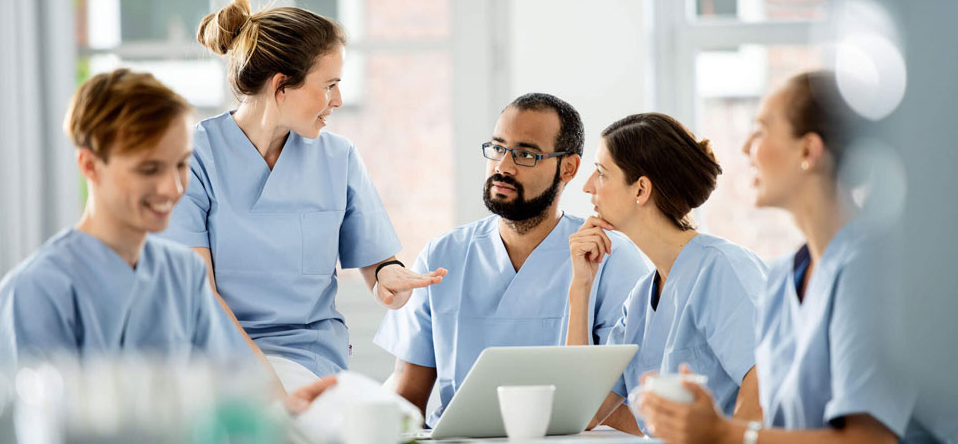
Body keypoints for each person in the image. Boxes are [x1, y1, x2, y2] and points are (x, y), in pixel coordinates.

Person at [638, 71, 944, 444]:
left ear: (808, 151)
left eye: (762, 130)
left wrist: (723, 433)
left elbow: (869, 440)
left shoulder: (873, 269)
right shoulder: (783, 277)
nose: (747, 146)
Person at [161, 0, 446, 393]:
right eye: (329, 85)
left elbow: (377, 262)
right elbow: (199, 296)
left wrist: (389, 278)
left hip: (314, 362)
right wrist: (267, 385)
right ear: (281, 85)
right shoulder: (192, 159)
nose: (338, 101)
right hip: (223, 363)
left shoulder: (338, 157)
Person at [374, 93, 651, 426]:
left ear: (569, 168)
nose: (503, 167)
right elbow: (407, 396)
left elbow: (629, 407)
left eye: (525, 154)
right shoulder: (443, 254)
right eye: (498, 148)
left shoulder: (609, 257)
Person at [0, 69, 251, 373]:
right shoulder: (38, 290)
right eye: (149, 169)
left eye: (181, 164)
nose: (174, 188)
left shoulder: (185, 275)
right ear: (89, 165)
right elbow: (13, 415)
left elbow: (230, 390)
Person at [568, 112, 767, 435]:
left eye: (602, 174)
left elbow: (765, 383)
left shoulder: (723, 269)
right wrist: (581, 287)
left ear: (641, 189)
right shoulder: (641, 298)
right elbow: (584, 410)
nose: (588, 186)